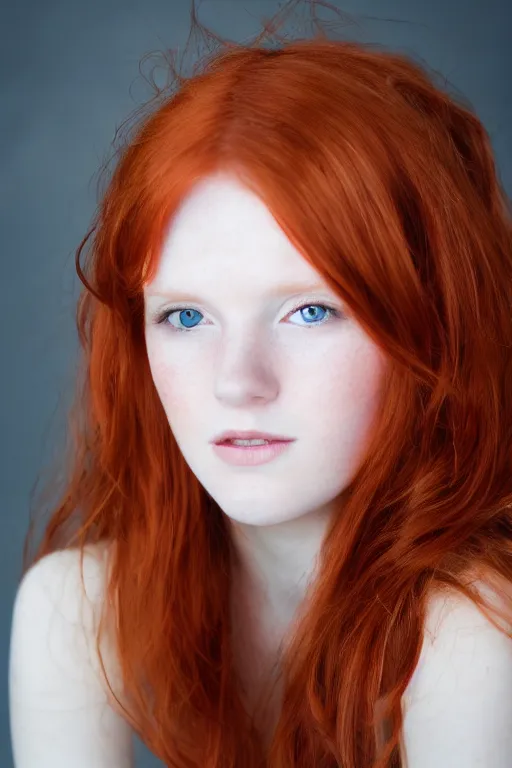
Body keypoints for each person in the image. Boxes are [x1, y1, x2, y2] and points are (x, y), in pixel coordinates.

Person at [8, 1, 512, 766]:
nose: (238, 383)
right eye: (184, 318)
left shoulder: (476, 631)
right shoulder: (77, 609)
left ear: (429, 322)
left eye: (311, 310)